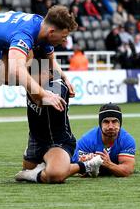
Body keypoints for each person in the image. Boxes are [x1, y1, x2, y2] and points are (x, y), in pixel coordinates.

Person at [14, 47, 103, 184]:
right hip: (35, 139)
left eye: (34, 73)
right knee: (33, 170)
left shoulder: (57, 87)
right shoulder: (35, 82)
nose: (30, 79)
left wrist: (47, 93)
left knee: (54, 176)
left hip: (57, 141)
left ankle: (86, 165)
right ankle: (42, 167)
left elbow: (53, 97)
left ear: (49, 73)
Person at [70, 103, 136, 177]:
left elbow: (127, 171)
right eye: (106, 122)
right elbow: (73, 169)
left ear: (120, 123)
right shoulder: (87, 140)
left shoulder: (127, 140)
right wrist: (84, 164)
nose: (110, 126)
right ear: (100, 124)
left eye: (114, 121)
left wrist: (109, 164)